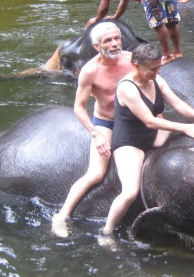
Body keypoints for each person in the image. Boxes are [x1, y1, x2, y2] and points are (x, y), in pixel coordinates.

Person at [100, 43, 194, 243]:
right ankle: (106, 232)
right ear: (137, 66)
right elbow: (149, 120)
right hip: (131, 143)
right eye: (153, 69)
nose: (158, 72)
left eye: (159, 67)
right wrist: (185, 127)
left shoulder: (157, 79)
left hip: (154, 134)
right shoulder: (127, 88)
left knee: (193, 136)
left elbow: (178, 103)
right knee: (130, 192)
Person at [51, 21, 134, 237]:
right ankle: (61, 216)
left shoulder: (131, 59)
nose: (115, 44)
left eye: (117, 38)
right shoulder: (89, 71)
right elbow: (79, 107)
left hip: (133, 119)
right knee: (96, 173)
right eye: (108, 40)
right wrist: (96, 134)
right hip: (106, 122)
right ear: (97, 46)